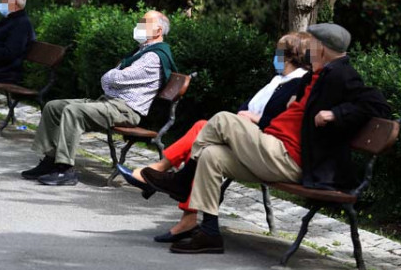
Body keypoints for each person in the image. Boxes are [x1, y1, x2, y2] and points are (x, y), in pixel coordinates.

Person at [143, 23, 390, 254]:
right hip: (271, 148)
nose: (307, 49)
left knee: (222, 120)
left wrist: (335, 113)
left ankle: (182, 180)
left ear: (322, 49)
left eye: (311, 44)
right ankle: (209, 232)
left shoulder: (342, 75)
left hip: (288, 158)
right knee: (212, 155)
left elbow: (378, 106)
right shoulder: (314, 75)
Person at [118, 32, 312, 242]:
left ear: (292, 55)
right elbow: (244, 108)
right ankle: (185, 210)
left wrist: (256, 119)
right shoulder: (277, 80)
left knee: (207, 128)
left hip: (267, 146)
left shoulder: (298, 83)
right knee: (206, 142)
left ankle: (165, 176)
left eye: (279, 51)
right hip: (248, 137)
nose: (276, 55)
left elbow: (283, 121)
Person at [21, 10, 178, 186]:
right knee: (53, 106)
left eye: (143, 23)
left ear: (157, 31)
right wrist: (115, 75)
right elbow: (117, 77)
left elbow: (119, 78)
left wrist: (112, 74)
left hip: (125, 110)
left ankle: (64, 168)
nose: (138, 26)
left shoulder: (154, 57)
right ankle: (50, 160)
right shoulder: (141, 51)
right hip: (109, 103)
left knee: (73, 111)